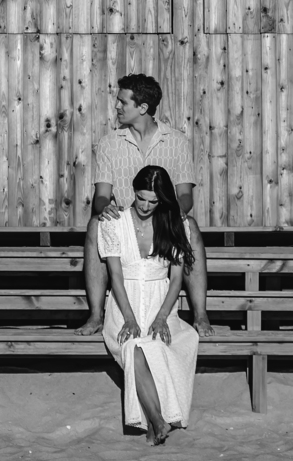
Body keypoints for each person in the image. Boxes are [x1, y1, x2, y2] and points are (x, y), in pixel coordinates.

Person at [75, 74, 213, 338]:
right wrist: (104, 208)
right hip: (126, 223)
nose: (116, 107)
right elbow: (102, 195)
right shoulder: (109, 143)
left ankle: (201, 314)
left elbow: (185, 195)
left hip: (162, 221)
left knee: (191, 228)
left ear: (142, 108)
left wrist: (176, 212)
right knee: (95, 224)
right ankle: (95, 315)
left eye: (122, 102)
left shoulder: (177, 142)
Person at [99, 165, 199, 444]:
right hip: (124, 303)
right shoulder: (114, 221)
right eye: (140, 197)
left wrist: (161, 317)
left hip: (160, 304)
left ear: (163, 200)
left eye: (153, 201)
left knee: (151, 345)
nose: (144, 206)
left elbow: (176, 278)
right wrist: (129, 319)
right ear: (133, 191)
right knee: (132, 345)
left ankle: (156, 423)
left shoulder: (173, 224)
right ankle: (157, 420)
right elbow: (115, 275)